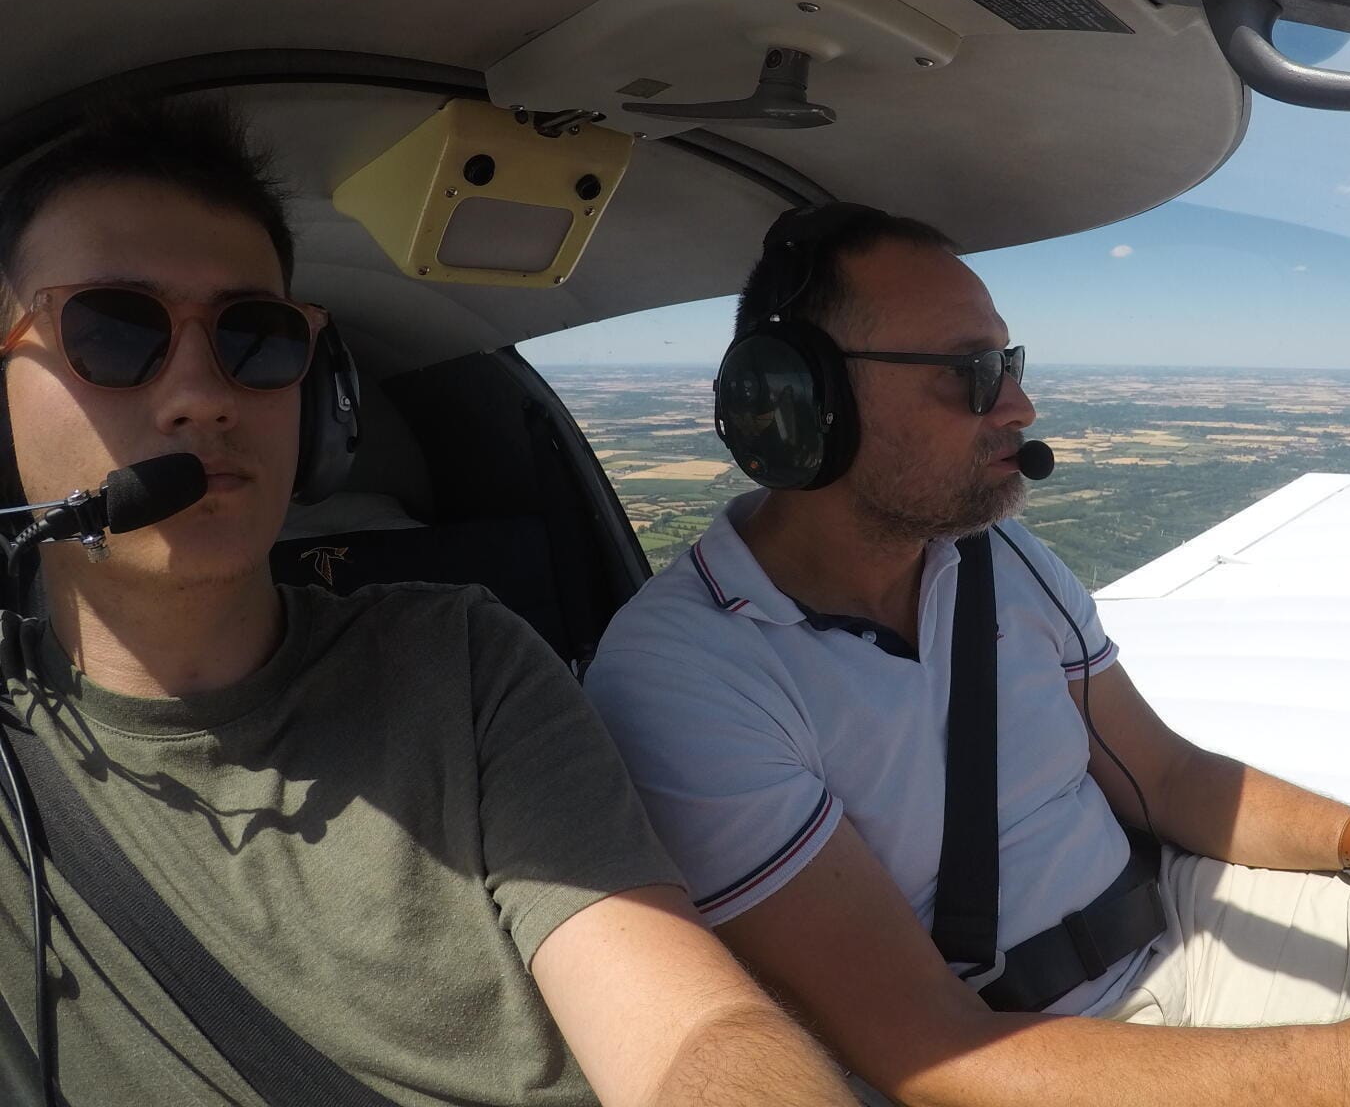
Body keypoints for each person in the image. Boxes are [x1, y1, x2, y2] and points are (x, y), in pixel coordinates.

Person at [586, 203, 1350, 1107]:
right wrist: (1347, 1070)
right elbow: (929, 1051)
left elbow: (1167, 775)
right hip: (1010, 1051)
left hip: (1170, 932)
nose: (1019, 404)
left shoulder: (996, 559)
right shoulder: (691, 674)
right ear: (802, 403)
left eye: (1009, 362)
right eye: (972, 372)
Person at [0, 99, 856, 1107]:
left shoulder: (461, 663)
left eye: (256, 338)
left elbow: (696, 1030)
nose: (205, 395)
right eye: (112, 329)